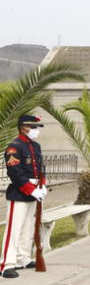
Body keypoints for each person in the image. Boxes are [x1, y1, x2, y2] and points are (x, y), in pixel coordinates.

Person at [0, 115, 47, 278]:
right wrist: (30, 189)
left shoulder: (35, 146)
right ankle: (7, 264)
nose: (36, 130)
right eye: (33, 127)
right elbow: (15, 172)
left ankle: (23, 258)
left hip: (35, 191)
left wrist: (42, 185)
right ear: (23, 127)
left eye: (37, 127)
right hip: (20, 193)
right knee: (14, 229)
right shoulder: (14, 147)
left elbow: (41, 166)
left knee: (28, 227)